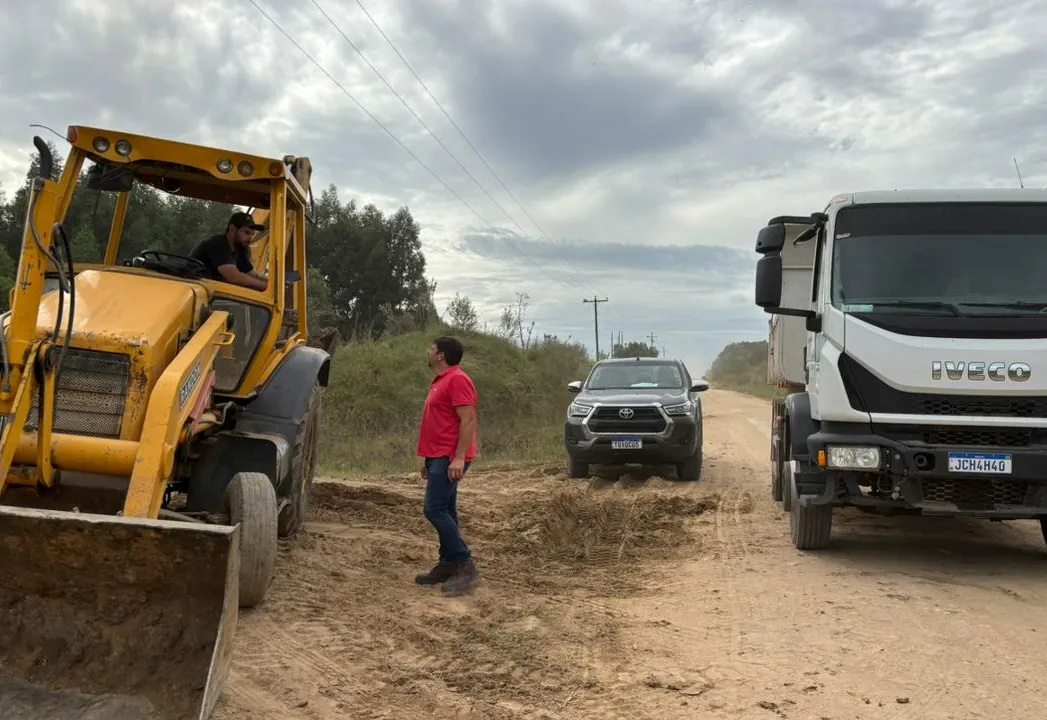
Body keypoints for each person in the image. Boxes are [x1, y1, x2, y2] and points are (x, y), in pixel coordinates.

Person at [414, 335, 480, 595]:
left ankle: (464, 562)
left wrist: (460, 457)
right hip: (438, 455)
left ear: (441, 355)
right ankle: (448, 563)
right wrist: (429, 459)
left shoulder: (458, 379)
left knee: (434, 509)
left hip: (451, 456)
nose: (428, 351)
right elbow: (441, 422)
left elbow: (468, 420)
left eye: (431, 348)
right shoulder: (440, 381)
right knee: (447, 510)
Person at [189, 211, 269, 291]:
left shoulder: (240, 249)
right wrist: (265, 286)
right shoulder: (218, 243)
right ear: (232, 229)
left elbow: (254, 275)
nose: (250, 239)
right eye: (247, 233)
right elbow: (233, 276)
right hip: (193, 288)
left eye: (252, 234)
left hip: (211, 290)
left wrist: (274, 284)